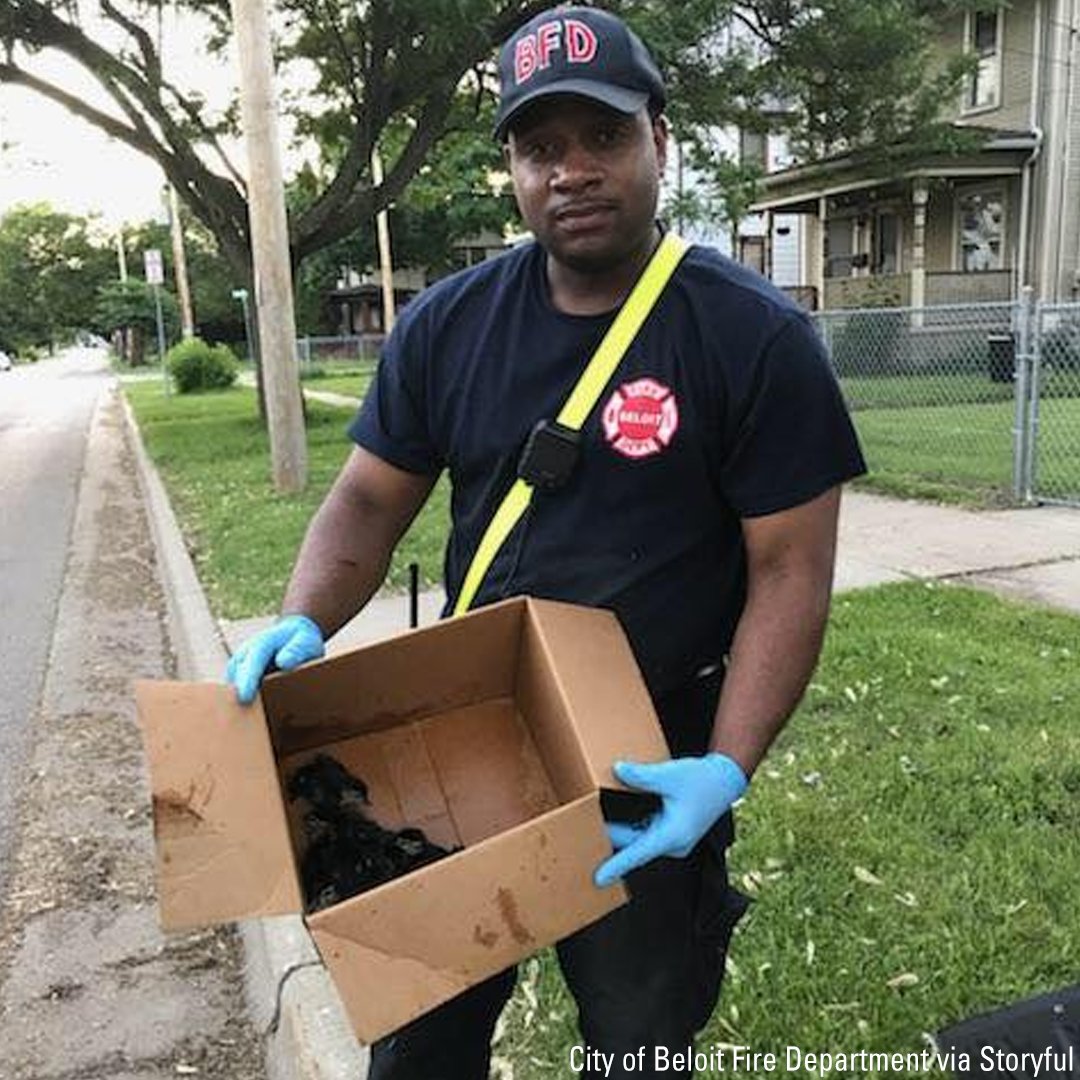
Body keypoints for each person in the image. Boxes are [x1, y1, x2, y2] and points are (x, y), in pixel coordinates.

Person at [226, 6, 866, 1077]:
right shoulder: (448, 325)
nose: (572, 171)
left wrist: (724, 767)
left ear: (659, 139)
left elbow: (790, 570)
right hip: (467, 731)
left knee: (638, 1042)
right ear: (515, 171)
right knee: (420, 1046)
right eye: (540, 148)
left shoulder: (753, 338)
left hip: (649, 759)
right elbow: (369, 501)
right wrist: (304, 618)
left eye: (603, 136)